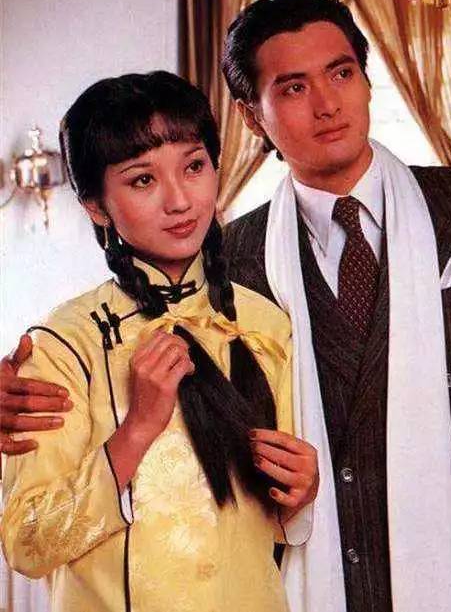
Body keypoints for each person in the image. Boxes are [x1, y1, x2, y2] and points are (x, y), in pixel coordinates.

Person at [2, 0, 451, 612]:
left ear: (367, 81)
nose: (328, 104)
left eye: (341, 73)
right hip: (314, 587)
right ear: (253, 117)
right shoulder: (233, 264)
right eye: (293, 88)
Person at [0, 71, 318, 612]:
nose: (179, 200)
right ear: (96, 206)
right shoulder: (62, 345)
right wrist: (137, 431)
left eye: (193, 167)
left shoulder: (265, 324)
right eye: (143, 180)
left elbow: (278, 523)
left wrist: (302, 490)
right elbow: (28, 543)